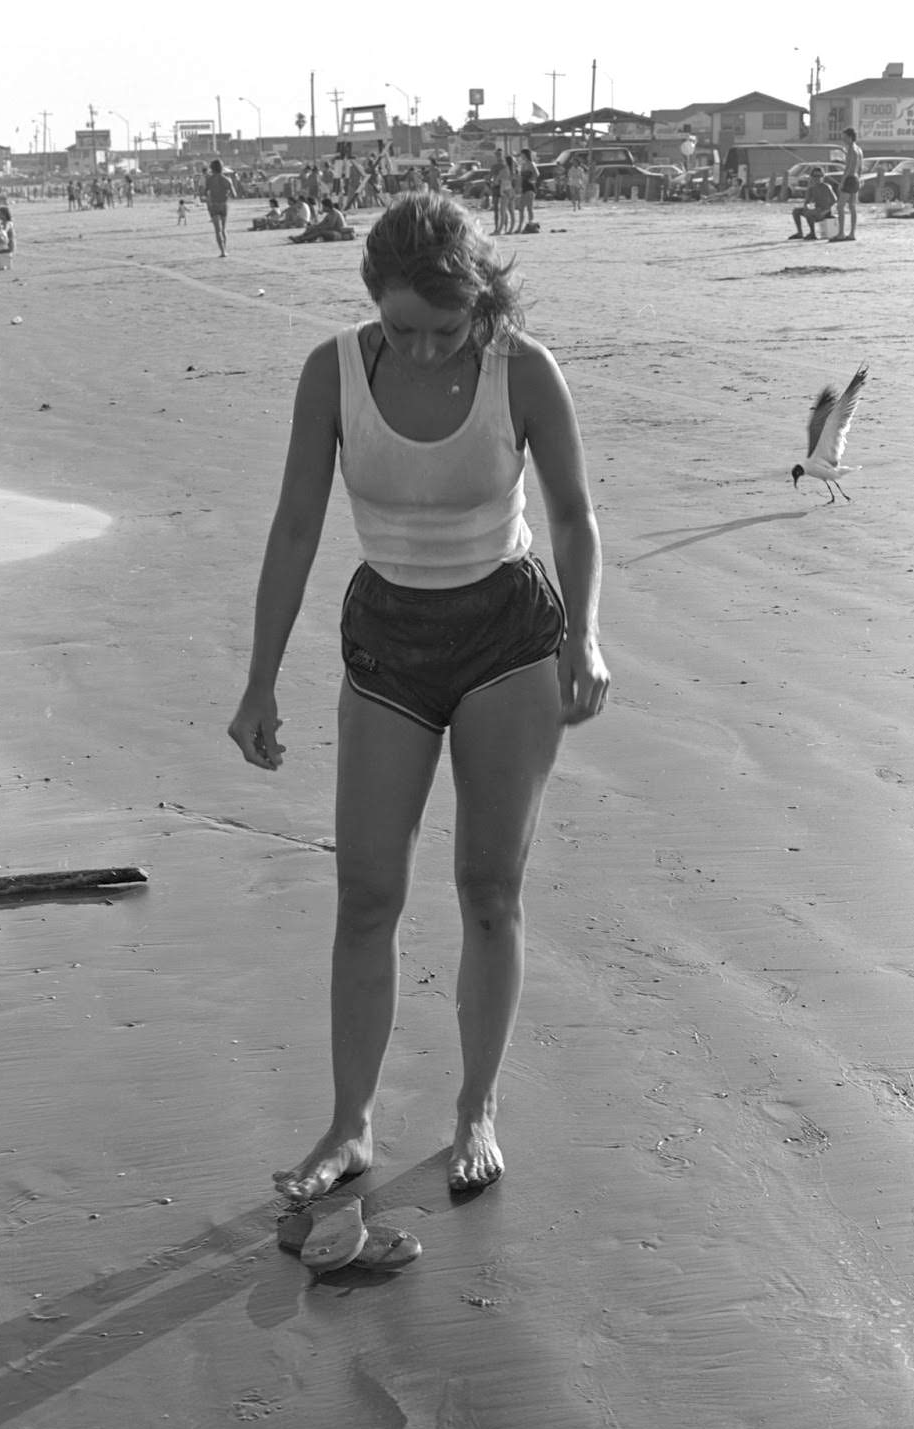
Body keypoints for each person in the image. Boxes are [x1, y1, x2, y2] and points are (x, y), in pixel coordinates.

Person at [228, 193, 610, 1201]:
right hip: (388, 641)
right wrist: (259, 678)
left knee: (488, 891)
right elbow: (295, 530)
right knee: (367, 894)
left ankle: (474, 1110)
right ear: (372, 306)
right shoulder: (334, 373)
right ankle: (349, 1125)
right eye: (401, 328)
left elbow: (570, 517)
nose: (426, 348)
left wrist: (584, 638)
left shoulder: (521, 370)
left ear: (479, 303)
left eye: (445, 328)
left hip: (505, 642)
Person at [788, 167, 838, 239]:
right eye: (815, 176)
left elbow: (834, 200)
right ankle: (800, 233)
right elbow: (807, 202)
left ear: (822, 177)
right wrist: (807, 207)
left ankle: (812, 233)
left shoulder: (826, 187)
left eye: (819, 176)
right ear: (811, 177)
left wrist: (825, 210)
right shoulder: (811, 188)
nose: (817, 178)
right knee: (796, 211)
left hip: (826, 212)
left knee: (810, 213)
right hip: (816, 210)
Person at [832, 127, 863, 241]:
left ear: (850, 137)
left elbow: (849, 168)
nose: (843, 139)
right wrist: (859, 179)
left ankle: (841, 233)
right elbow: (860, 168)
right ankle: (852, 233)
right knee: (852, 207)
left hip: (850, 179)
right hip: (856, 179)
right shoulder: (859, 150)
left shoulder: (851, 149)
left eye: (844, 137)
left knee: (840, 206)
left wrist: (842, 182)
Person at [204, 157, 237, 257]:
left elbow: (205, 193)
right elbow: (234, 195)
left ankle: (222, 251)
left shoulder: (209, 180)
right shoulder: (227, 180)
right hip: (224, 204)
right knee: (223, 229)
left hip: (214, 205)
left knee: (217, 230)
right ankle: (225, 250)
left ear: (212, 168)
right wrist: (226, 193)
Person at [288, 196, 353, 243]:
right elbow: (321, 224)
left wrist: (319, 228)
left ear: (327, 207)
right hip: (334, 232)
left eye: (323, 207)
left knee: (320, 232)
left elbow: (331, 226)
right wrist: (313, 227)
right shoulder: (329, 214)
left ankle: (302, 239)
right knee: (312, 228)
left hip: (339, 234)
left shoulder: (335, 213)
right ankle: (300, 237)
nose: (322, 208)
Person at [516, 147, 539, 231]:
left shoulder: (531, 163)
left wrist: (532, 180)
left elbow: (537, 173)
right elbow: (520, 177)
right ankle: (519, 226)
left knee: (529, 207)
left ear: (525, 154)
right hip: (524, 187)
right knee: (521, 208)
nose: (521, 156)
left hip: (530, 187)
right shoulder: (523, 164)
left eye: (522, 154)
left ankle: (530, 224)